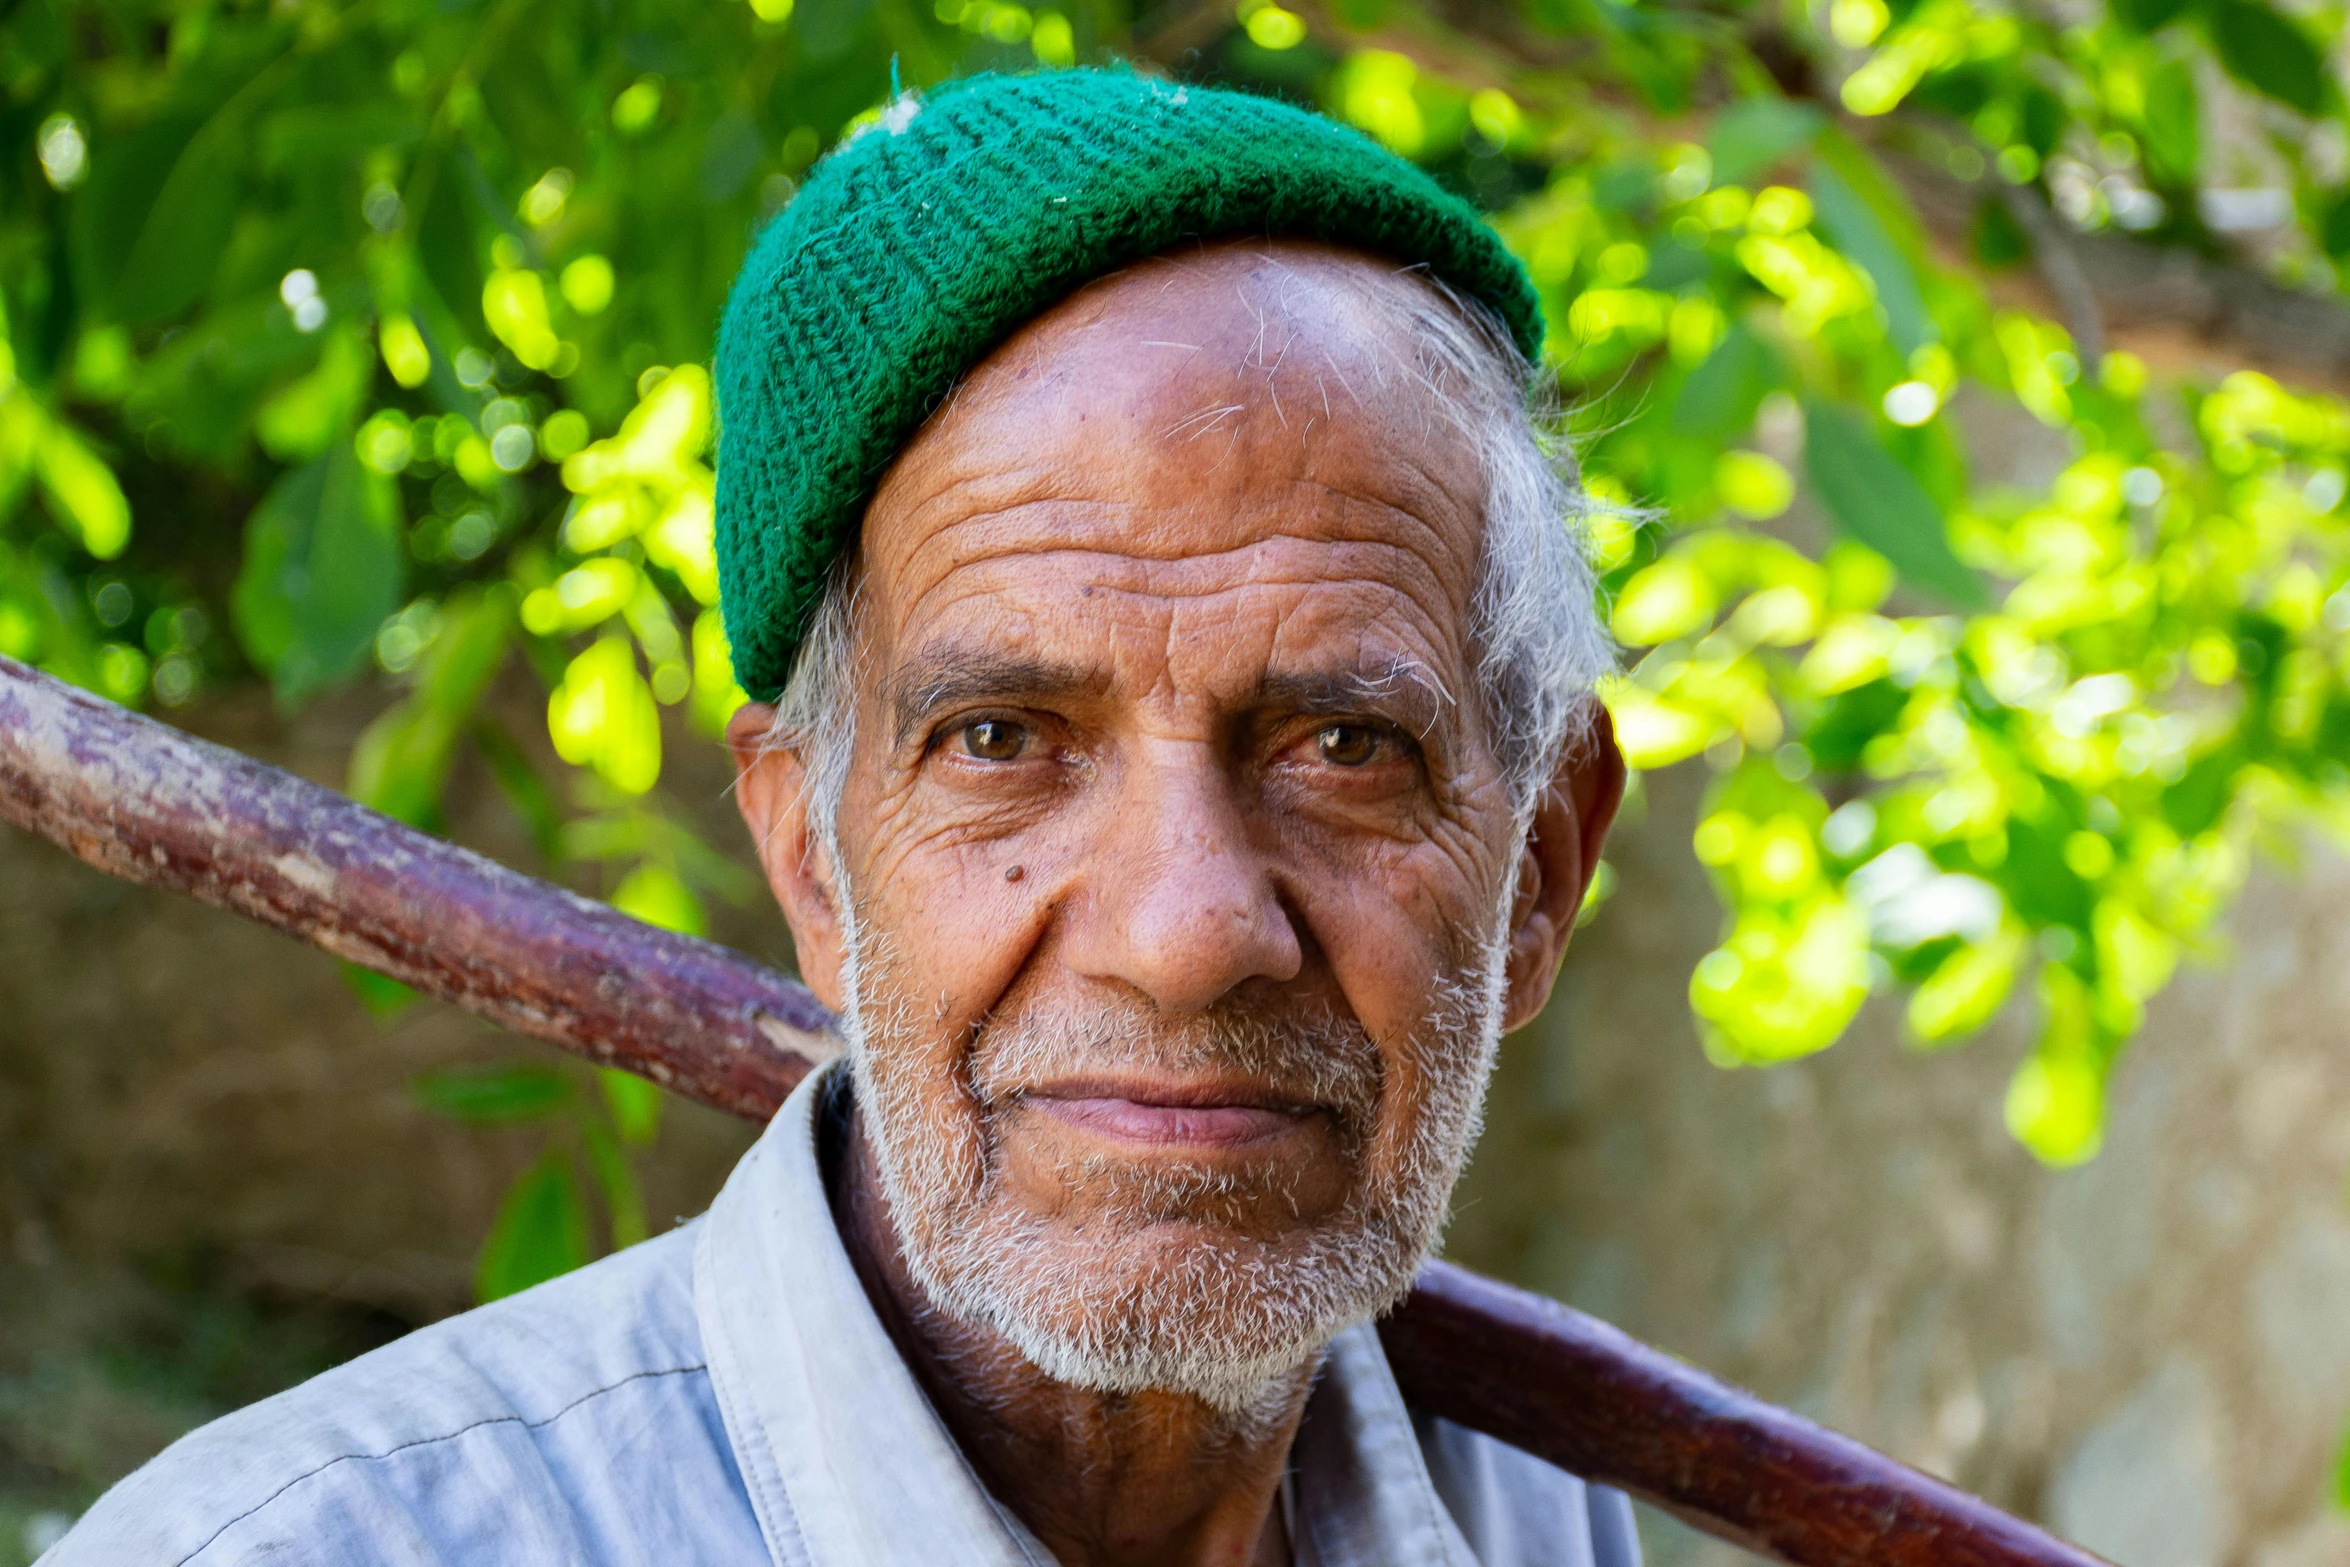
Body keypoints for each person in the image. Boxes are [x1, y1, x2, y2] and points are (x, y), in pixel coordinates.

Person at [52, 67, 1630, 1567]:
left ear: (1541, 868)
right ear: (810, 851)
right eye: (1002, 738)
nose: (1185, 933)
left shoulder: (1540, 1502)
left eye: (1343, 745)